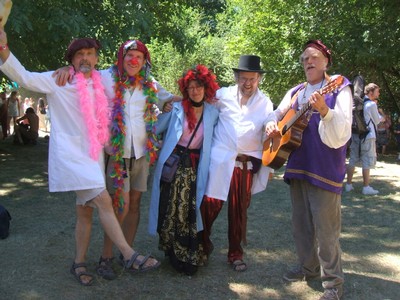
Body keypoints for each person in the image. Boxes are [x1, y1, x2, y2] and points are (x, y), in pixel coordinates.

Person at [0, 27, 160, 286]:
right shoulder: (58, 79)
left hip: (94, 157)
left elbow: (130, 81)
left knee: (85, 212)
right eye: (79, 55)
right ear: (71, 60)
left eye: (90, 53)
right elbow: (25, 77)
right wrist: (3, 49)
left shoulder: (103, 80)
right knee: (105, 201)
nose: (85, 58)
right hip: (70, 157)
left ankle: (79, 263)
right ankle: (129, 255)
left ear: (97, 58)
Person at [55, 39, 179, 280]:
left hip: (141, 154)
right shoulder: (106, 77)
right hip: (117, 154)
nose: (133, 61)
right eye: (129, 55)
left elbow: (171, 99)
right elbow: (83, 69)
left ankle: (125, 256)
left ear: (145, 61)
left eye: (139, 57)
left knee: (134, 205)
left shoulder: (150, 84)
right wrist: (66, 69)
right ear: (121, 58)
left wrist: (205, 97)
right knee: (116, 206)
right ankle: (107, 257)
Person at [265, 40, 352, 300]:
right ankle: (308, 267)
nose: (308, 62)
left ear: (326, 61)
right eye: (304, 59)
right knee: (301, 225)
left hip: (324, 168)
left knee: (326, 230)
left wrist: (325, 110)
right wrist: (271, 124)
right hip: (298, 166)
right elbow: (276, 113)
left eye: (313, 57)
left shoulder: (339, 87)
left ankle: (333, 284)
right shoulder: (296, 92)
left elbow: (343, 129)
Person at [201, 55, 274, 272]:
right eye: (243, 78)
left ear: (259, 78)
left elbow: (271, 119)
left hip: (244, 166)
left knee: (239, 211)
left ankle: (235, 254)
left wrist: (271, 124)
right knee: (209, 207)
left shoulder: (265, 102)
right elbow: (201, 105)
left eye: (252, 78)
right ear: (236, 77)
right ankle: (202, 247)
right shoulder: (222, 95)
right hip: (220, 163)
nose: (248, 83)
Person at [149, 64, 219, 275]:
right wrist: (162, 112)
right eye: (190, 87)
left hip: (196, 168)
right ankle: (172, 251)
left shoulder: (214, 112)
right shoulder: (177, 109)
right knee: (170, 207)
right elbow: (155, 129)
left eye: (198, 86)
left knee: (189, 210)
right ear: (185, 90)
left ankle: (188, 251)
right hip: (174, 166)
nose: (195, 91)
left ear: (206, 88)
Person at [345, 83, 383, 195]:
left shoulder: (358, 103)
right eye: (377, 92)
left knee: (352, 159)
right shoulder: (371, 104)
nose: (378, 93)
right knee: (367, 160)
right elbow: (377, 120)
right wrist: (382, 116)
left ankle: (348, 185)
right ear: (371, 92)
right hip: (368, 135)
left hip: (356, 134)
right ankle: (366, 187)